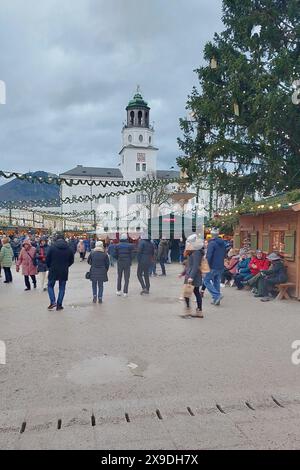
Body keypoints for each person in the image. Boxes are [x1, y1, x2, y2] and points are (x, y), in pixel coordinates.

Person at [46, 233, 74, 311]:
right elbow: (72, 260)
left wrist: (50, 266)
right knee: (62, 288)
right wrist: (66, 266)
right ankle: (59, 305)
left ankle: (53, 301)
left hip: (53, 269)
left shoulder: (52, 247)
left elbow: (47, 259)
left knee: (50, 286)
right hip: (64, 270)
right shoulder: (68, 248)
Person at [181, 234, 204, 318]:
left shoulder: (197, 252)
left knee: (188, 293)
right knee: (193, 293)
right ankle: (197, 311)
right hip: (191, 274)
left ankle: (190, 311)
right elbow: (189, 264)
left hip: (193, 275)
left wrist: (191, 277)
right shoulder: (194, 251)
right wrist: (183, 273)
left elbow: (195, 265)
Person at [204, 228, 226, 305]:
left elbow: (209, 256)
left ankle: (217, 295)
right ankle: (216, 300)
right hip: (220, 265)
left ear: (211, 235)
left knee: (206, 281)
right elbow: (224, 254)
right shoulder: (223, 243)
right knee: (216, 281)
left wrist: (206, 265)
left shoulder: (212, 243)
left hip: (212, 266)